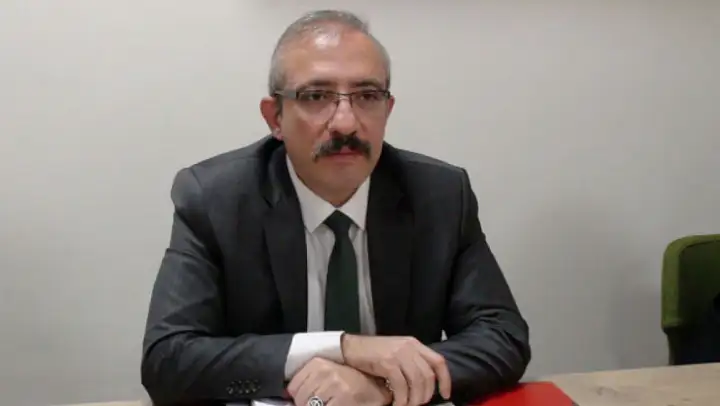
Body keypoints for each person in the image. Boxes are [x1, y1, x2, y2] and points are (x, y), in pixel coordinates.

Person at [141, 9, 531, 406]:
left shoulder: (440, 195)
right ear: (275, 117)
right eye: (316, 96)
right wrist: (344, 347)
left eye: (367, 96)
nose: (345, 123)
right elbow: (168, 359)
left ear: (387, 111)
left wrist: (382, 386)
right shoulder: (215, 199)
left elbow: (502, 336)